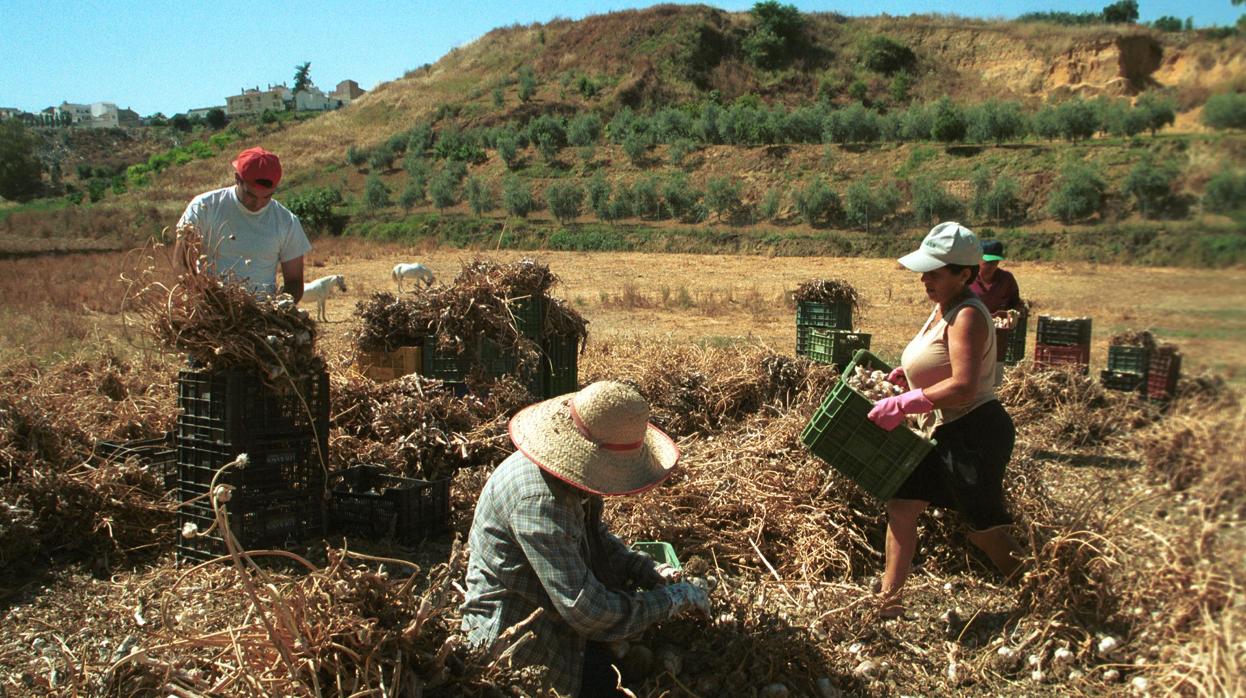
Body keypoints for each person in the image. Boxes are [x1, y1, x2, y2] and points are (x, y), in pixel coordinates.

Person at [462, 381, 710, 697]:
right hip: (518, 644)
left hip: (558, 616)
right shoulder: (540, 502)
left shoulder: (573, 479)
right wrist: (672, 600)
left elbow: (595, 537)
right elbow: (587, 610)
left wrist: (644, 569)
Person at [867, 222, 1024, 619]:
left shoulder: (967, 315)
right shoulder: (941, 310)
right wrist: (907, 377)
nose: (925, 280)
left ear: (964, 274)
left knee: (983, 526)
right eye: (925, 272)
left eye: (935, 272)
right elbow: (938, 365)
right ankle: (888, 604)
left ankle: (1037, 589)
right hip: (946, 429)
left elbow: (965, 386)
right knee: (902, 505)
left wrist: (905, 404)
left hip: (976, 432)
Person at [174, 147, 310, 301]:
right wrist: (203, 301)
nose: (258, 204)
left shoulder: (287, 222)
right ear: (237, 179)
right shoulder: (205, 207)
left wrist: (279, 308)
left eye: (267, 197)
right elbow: (182, 263)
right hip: (210, 307)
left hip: (262, 315)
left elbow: (294, 282)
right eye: (250, 195)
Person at [970, 239, 1023, 315]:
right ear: (977, 259)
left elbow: (1015, 303)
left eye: (996, 262)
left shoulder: (1007, 279)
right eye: (988, 262)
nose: (992, 266)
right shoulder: (967, 279)